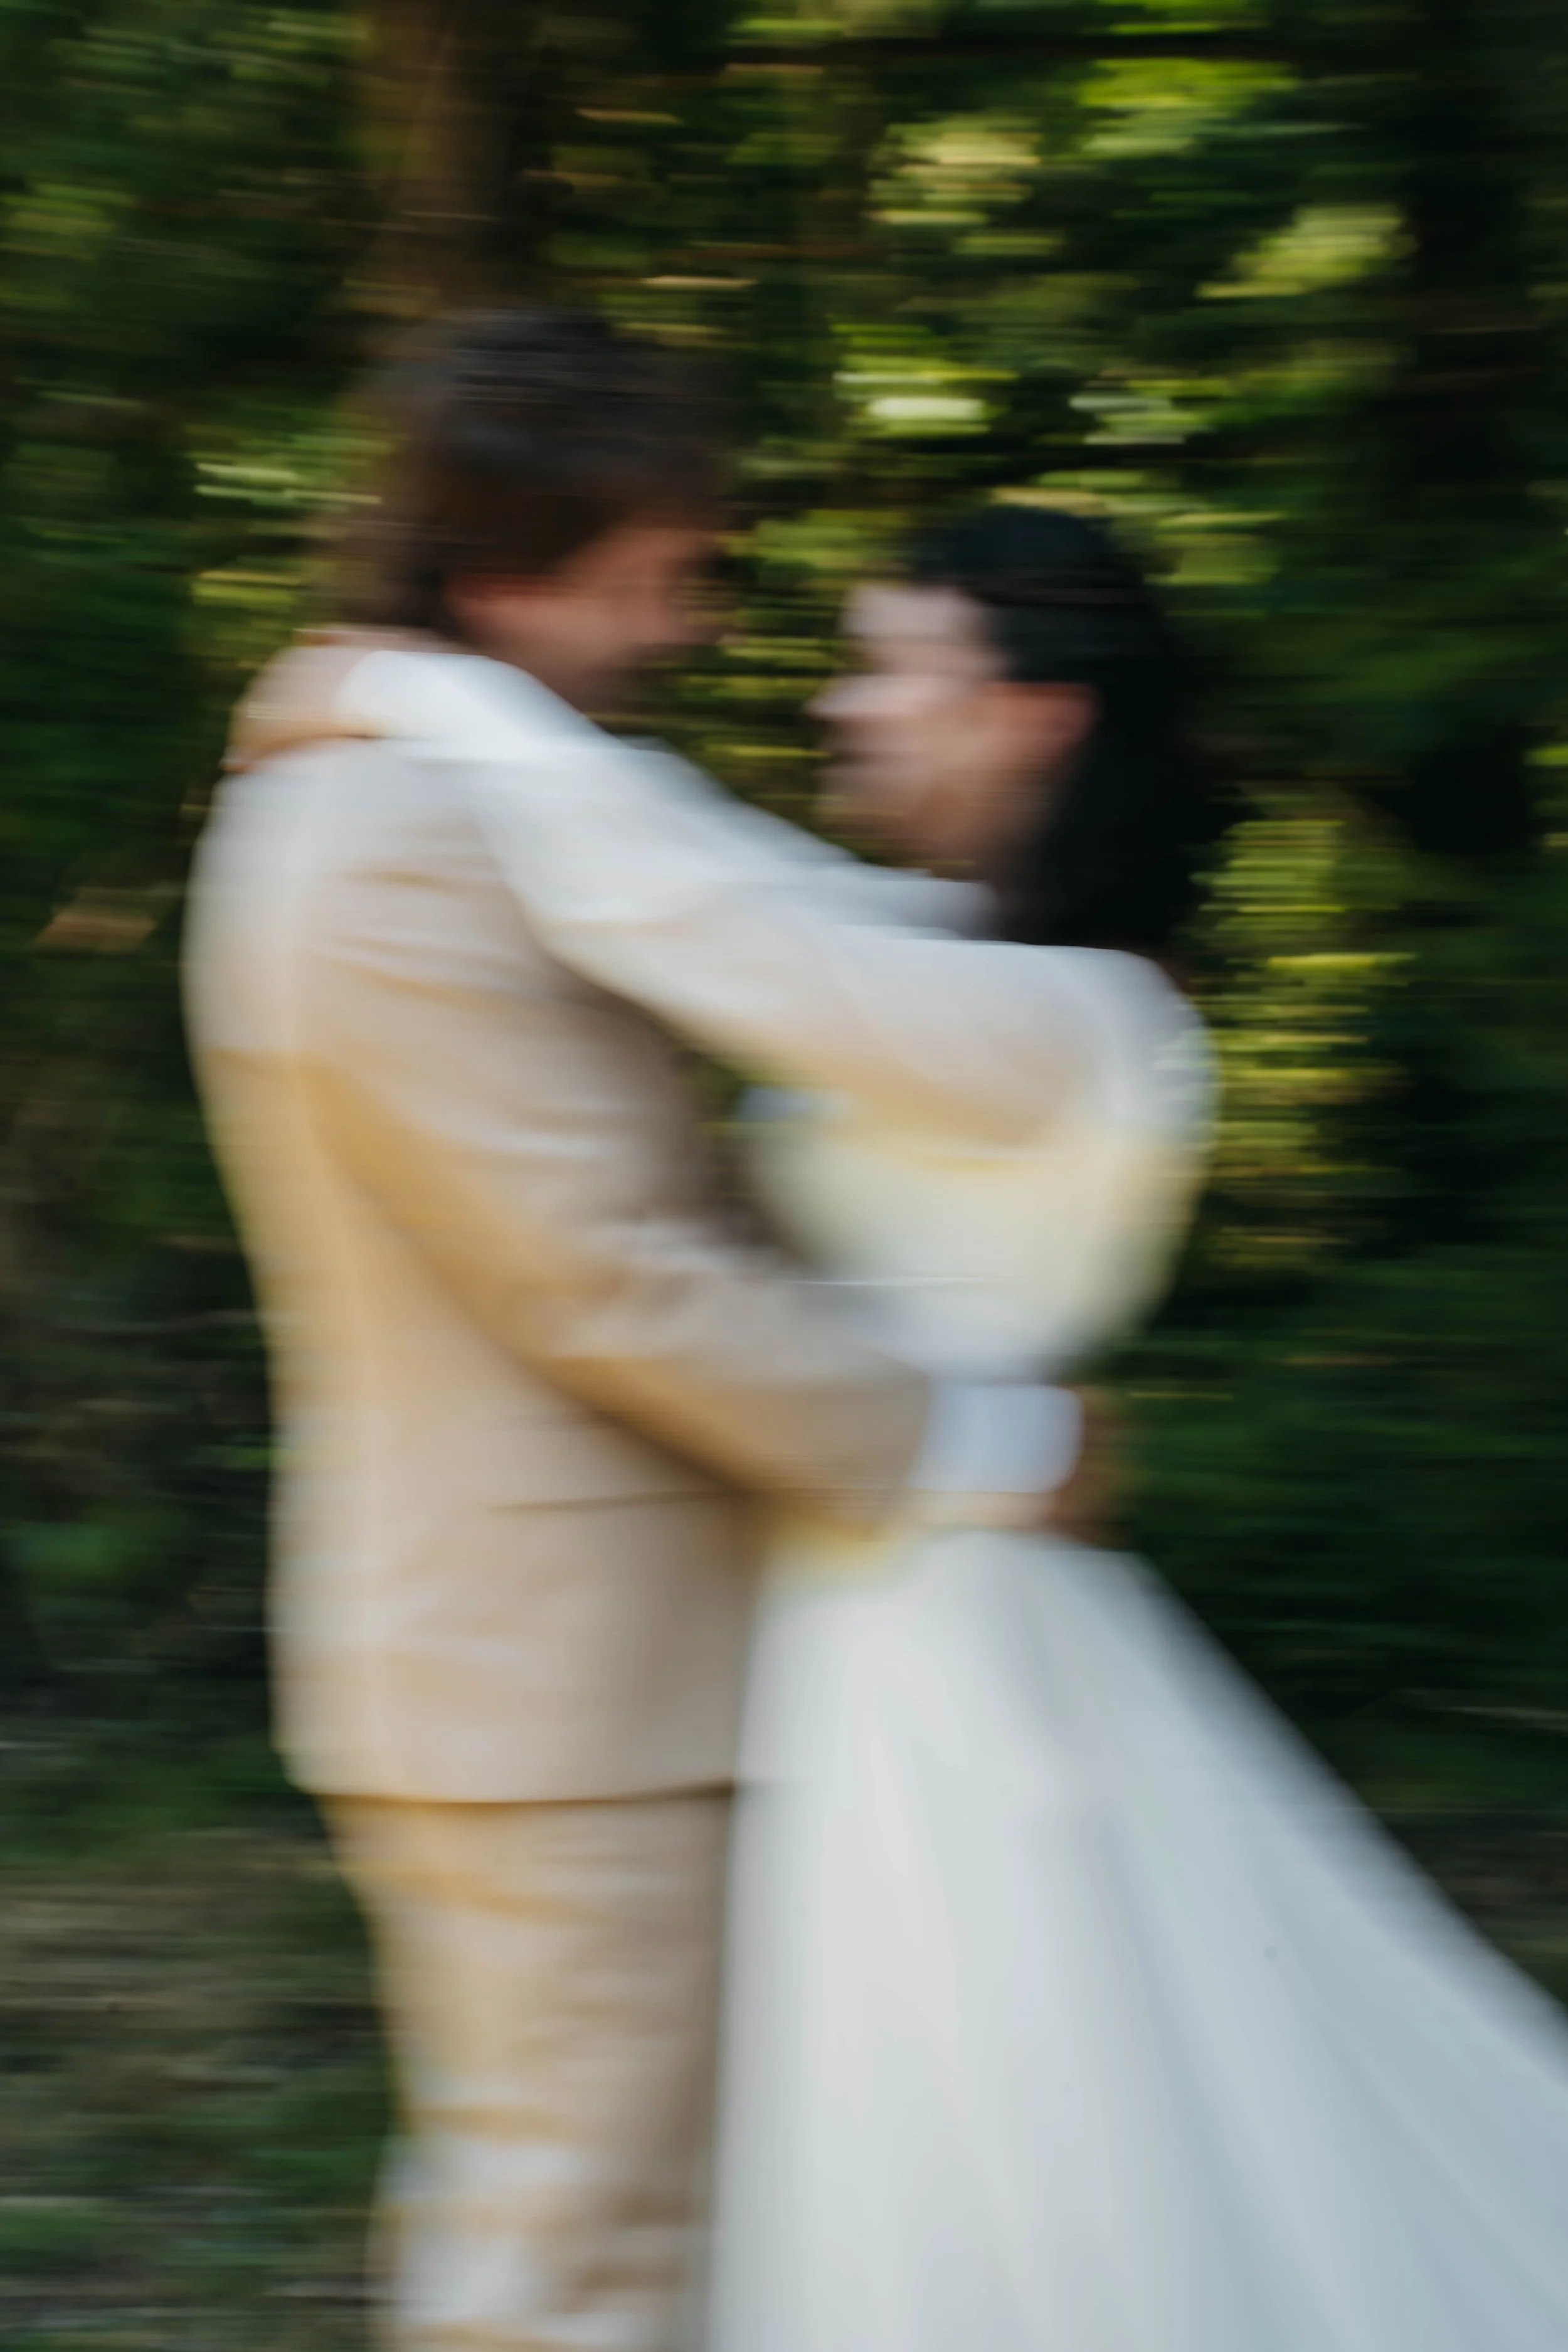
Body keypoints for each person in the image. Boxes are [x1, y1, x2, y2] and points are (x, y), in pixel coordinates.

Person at [329, 501, 1568, 2350]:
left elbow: (668, 908)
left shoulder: (1065, 1019)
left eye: (893, 668)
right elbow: (716, 878)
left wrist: (420, 694)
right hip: (836, 1605)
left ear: (1033, 714)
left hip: (929, 1655)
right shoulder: (940, 949)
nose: (845, 708)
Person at [182, 309, 1082, 2352]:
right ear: (503, 575)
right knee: (585, 2267)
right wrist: (983, 1442)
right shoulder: (393, 842)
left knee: (573, 2234)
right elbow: (596, 1271)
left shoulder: (455, 799)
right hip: (545, 1684)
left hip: (575, 1672)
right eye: (656, 578)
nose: (681, 630)